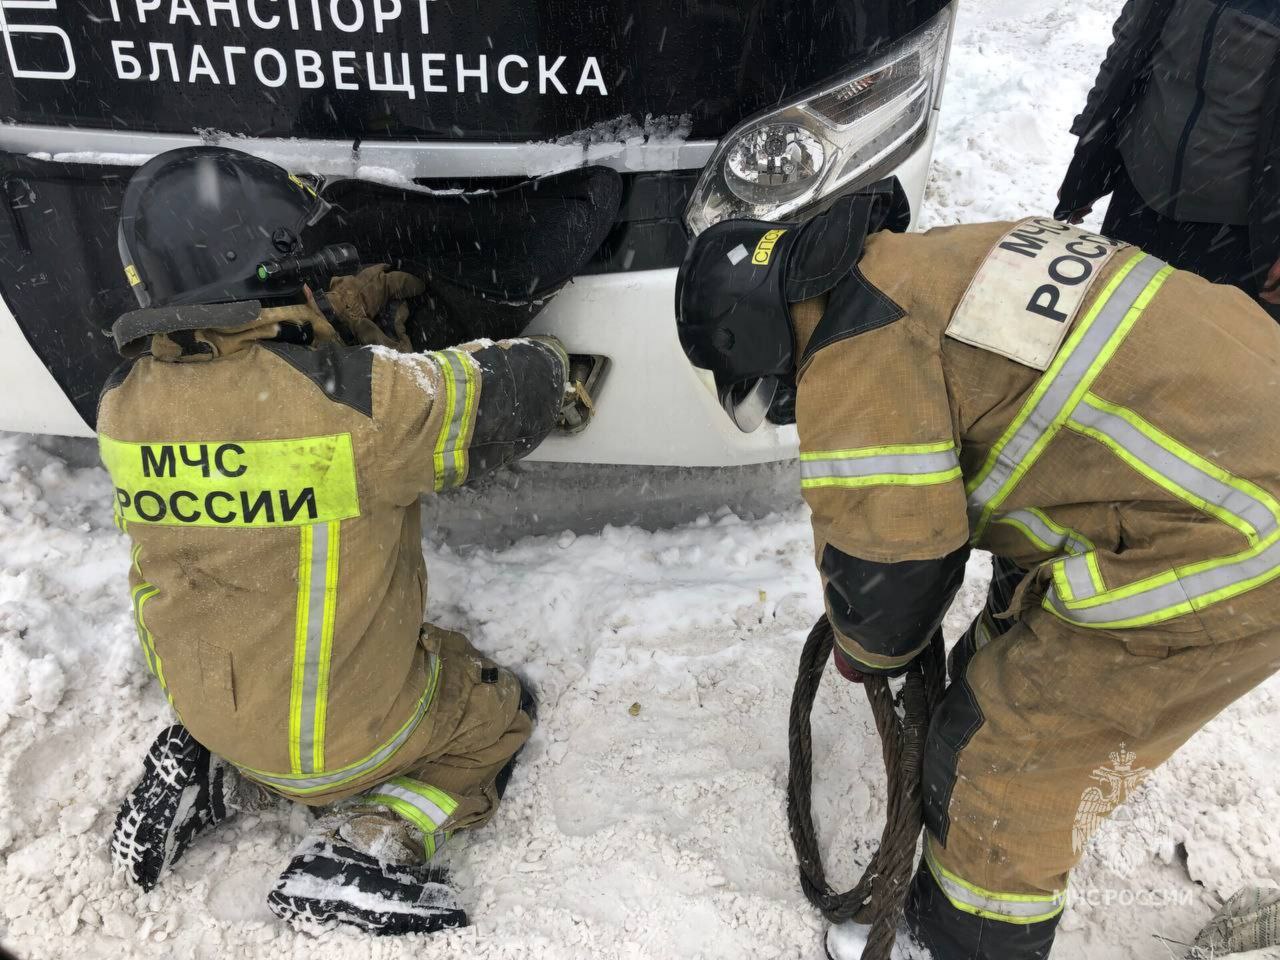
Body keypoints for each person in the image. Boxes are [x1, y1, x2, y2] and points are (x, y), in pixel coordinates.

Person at [675, 182, 1280, 960]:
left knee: (1005, 755)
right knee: (996, 660)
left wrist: (869, 651)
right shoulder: (918, 265)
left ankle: (965, 938)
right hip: (1223, 457)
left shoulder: (857, 353)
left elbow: (892, 572)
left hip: (1240, 540)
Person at [100, 146, 586, 935]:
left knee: (259, 642)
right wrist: (551, 364)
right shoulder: (360, 400)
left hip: (202, 700)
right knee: (497, 712)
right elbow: (505, 392)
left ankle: (222, 774)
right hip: (347, 739)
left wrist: (325, 327)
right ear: (272, 261)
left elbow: (247, 424)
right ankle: (371, 844)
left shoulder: (123, 404)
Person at [1055, 0, 1280, 319]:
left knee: (1212, 359)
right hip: (1139, 201)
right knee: (1111, 339)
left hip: (1237, 233)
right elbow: (1124, 53)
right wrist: (1086, 161)